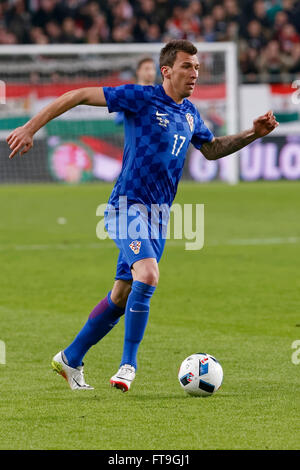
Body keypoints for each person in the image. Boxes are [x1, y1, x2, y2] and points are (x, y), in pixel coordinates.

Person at [6, 39, 279, 392]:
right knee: (148, 275)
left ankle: (70, 358)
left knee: (122, 295)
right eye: (186, 66)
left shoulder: (191, 113)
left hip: (159, 218)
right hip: (126, 207)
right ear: (166, 71)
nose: (194, 73)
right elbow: (77, 95)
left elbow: (211, 150)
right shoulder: (141, 97)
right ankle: (128, 365)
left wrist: (253, 134)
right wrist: (30, 127)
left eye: (196, 67)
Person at [115, 56, 156, 125]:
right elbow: (118, 120)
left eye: (153, 69)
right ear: (138, 71)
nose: (151, 72)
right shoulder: (129, 93)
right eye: (147, 69)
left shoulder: (161, 92)